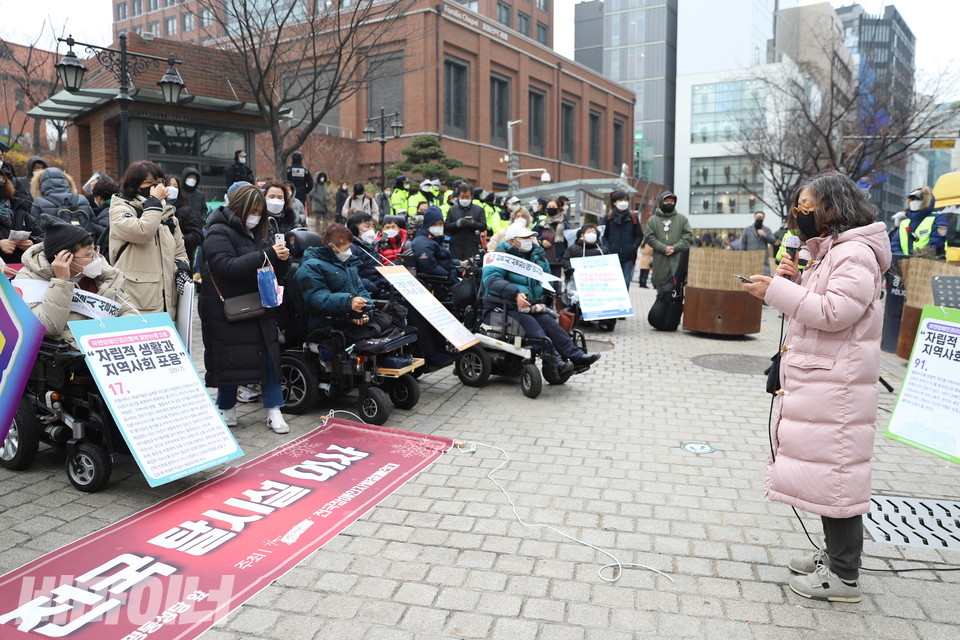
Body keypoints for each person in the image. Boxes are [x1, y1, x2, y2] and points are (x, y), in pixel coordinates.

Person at [740, 171, 892, 604]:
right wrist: (790, 281)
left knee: (838, 475)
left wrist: (777, 293)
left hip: (838, 383)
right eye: (797, 206)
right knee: (828, 473)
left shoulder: (855, 253)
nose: (799, 214)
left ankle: (844, 577)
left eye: (807, 206)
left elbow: (835, 312)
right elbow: (816, 303)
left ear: (833, 205)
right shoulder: (831, 251)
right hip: (824, 375)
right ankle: (833, 556)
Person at [200, 183, 291, 434]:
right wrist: (268, 254)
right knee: (231, 360)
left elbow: (272, 271)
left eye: (260, 211)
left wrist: (282, 259)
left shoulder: (261, 231)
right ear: (239, 207)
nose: (257, 216)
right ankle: (227, 407)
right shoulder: (217, 230)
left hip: (260, 305)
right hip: (228, 309)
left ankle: (274, 410)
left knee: (269, 358)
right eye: (253, 210)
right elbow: (226, 267)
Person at [482, 224, 600, 374]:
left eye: (529, 237)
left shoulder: (536, 256)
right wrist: (515, 294)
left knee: (551, 325)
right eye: (523, 238)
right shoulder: (499, 257)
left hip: (530, 307)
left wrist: (551, 292)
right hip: (502, 308)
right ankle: (555, 361)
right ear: (511, 241)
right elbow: (491, 280)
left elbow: (547, 280)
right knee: (533, 326)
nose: (528, 241)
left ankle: (576, 356)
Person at [15, 215, 135, 347]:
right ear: (65, 257)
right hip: (71, 359)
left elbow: (129, 313)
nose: (97, 258)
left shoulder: (102, 275)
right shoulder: (29, 279)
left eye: (95, 250)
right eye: (88, 254)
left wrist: (107, 338)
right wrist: (61, 282)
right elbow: (49, 327)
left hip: (104, 351)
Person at [108, 161, 190, 318]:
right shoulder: (121, 209)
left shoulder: (168, 215)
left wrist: (181, 269)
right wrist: (154, 202)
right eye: (148, 183)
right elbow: (143, 232)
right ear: (133, 185)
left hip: (167, 301)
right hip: (135, 303)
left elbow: (180, 251)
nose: (155, 187)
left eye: (158, 182)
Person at [296, 223, 395, 343]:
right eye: (347, 248)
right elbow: (316, 297)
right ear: (332, 246)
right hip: (328, 321)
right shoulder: (310, 267)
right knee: (374, 332)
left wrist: (365, 312)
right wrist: (348, 301)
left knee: (392, 323)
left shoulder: (347, 263)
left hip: (350, 316)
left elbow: (360, 290)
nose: (349, 252)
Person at [30, 167, 103, 237]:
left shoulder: (38, 202)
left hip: (57, 248)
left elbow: (36, 230)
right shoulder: (82, 199)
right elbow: (93, 224)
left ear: (39, 184)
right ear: (67, 181)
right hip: (84, 246)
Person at [645, 191, 693, 290]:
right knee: (661, 293)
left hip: (677, 260)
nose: (669, 203)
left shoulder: (682, 219)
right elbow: (649, 237)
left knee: (677, 291)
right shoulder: (652, 220)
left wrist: (675, 248)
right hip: (660, 260)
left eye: (672, 201)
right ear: (661, 202)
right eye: (667, 201)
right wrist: (664, 248)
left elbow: (687, 234)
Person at [889, 186, 948, 258]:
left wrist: (920, 257)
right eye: (912, 199)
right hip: (906, 264)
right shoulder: (905, 221)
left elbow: (937, 242)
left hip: (932, 263)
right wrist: (902, 258)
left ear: (926, 201)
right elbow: (895, 243)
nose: (914, 201)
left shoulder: (937, 218)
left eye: (918, 199)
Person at [0, 170, 42, 268]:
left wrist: (32, 243)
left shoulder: (18, 208)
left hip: (22, 272)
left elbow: (43, 237)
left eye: (1, 178)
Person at [603, 191, 644, 288]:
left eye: (626, 200)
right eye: (621, 200)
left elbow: (639, 235)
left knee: (625, 283)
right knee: (613, 283)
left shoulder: (633, 217)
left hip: (628, 256)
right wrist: (608, 248)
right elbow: (602, 235)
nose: (624, 202)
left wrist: (632, 248)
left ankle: (624, 303)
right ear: (614, 202)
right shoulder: (608, 218)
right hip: (611, 256)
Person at [164, 174, 203, 269]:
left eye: (175, 186)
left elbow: (197, 236)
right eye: (169, 185)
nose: (172, 188)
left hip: (180, 263)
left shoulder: (185, 211)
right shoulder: (154, 208)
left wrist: (178, 239)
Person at [346, 212, 389, 295]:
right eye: (367, 226)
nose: (371, 230)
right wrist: (373, 287)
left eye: (372, 226)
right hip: (368, 291)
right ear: (354, 229)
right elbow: (353, 276)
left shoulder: (371, 245)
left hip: (379, 287)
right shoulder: (350, 248)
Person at [410, 206, 457, 281]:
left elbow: (442, 259)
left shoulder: (435, 238)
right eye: (434, 224)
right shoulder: (422, 243)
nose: (438, 227)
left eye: (441, 224)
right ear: (427, 225)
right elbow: (430, 268)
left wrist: (460, 263)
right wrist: (451, 276)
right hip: (439, 282)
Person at [444, 183, 487, 260]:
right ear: (458, 196)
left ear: (471, 196)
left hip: (472, 246)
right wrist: (457, 224)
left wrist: (472, 223)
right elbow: (446, 227)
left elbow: (483, 226)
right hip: (455, 247)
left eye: (467, 197)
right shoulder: (452, 210)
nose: (465, 199)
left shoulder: (479, 210)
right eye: (462, 197)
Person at [533, 199, 570, 274]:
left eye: (553, 206)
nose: (551, 208)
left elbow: (568, 241)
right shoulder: (541, 224)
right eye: (549, 206)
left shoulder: (564, 224)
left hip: (557, 259)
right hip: (542, 258)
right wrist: (541, 240)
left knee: (555, 283)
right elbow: (533, 235)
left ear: (558, 208)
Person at [741, 211, 776, 275]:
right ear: (754, 218)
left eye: (761, 217)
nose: (759, 219)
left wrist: (764, 235)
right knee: (750, 277)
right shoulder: (747, 229)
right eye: (758, 217)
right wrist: (743, 256)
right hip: (750, 258)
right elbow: (743, 244)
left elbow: (773, 241)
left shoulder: (767, 229)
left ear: (763, 218)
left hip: (763, 259)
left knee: (764, 276)